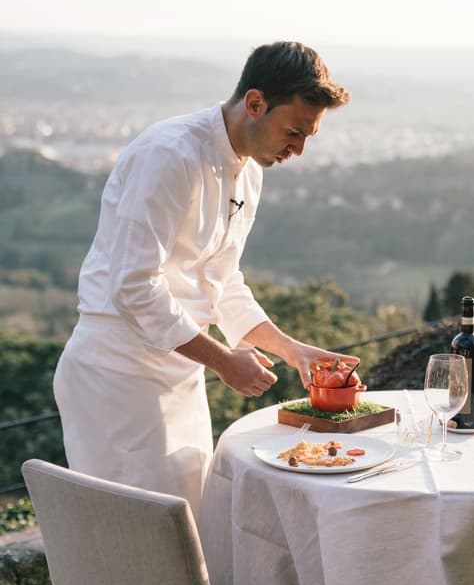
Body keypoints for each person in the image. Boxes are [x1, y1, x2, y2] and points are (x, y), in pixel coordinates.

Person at [53, 41, 356, 520]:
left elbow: (222, 281)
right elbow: (133, 287)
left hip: (181, 375)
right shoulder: (169, 154)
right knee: (140, 546)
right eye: (294, 132)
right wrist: (222, 361)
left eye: (308, 138)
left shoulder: (250, 172)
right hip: (116, 378)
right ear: (255, 103)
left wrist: (292, 350)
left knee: (195, 530)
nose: (297, 150)